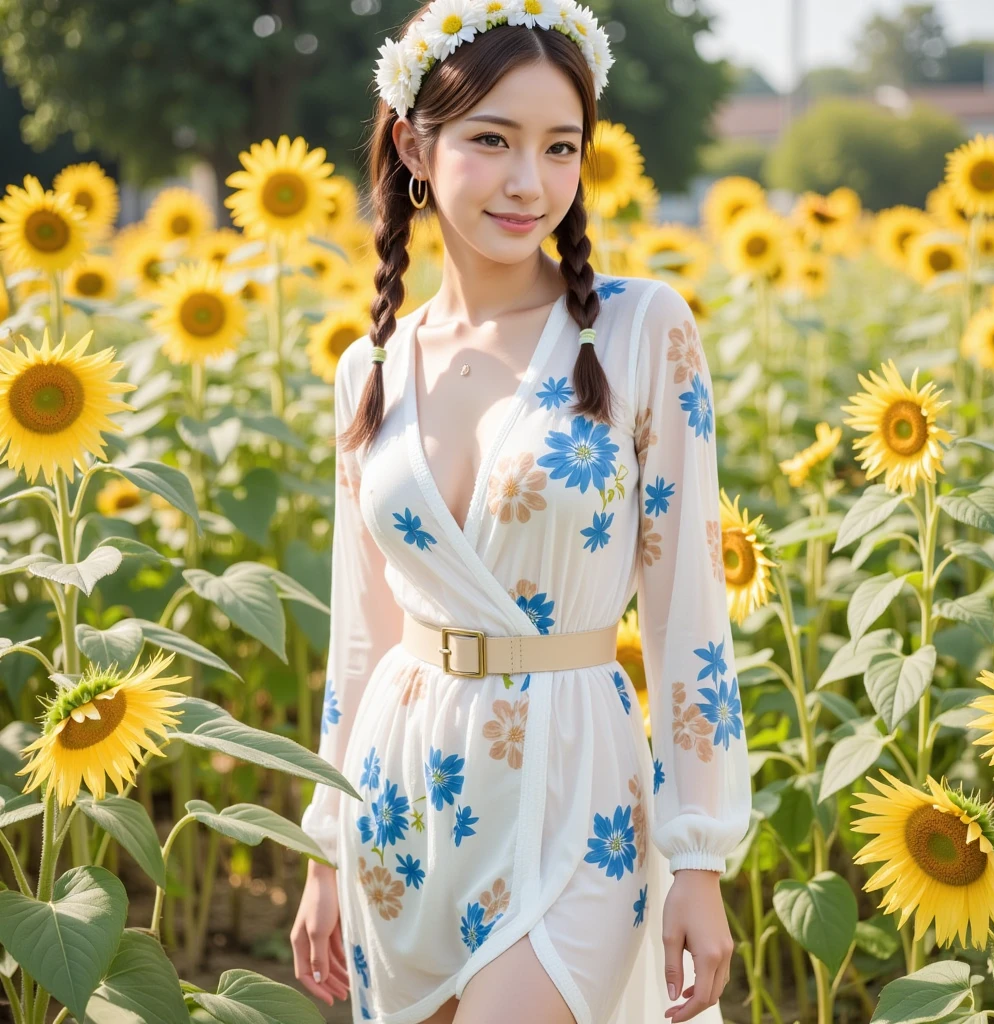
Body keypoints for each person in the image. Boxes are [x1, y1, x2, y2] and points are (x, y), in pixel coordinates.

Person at [290, 2, 752, 1022]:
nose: (527, 182)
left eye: (559, 148)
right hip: (400, 791)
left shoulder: (639, 331)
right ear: (416, 143)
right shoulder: (367, 369)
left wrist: (699, 854)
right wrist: (324, 842)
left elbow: (687, 616)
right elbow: (359, 633)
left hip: (574, 789)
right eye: (491, 140)